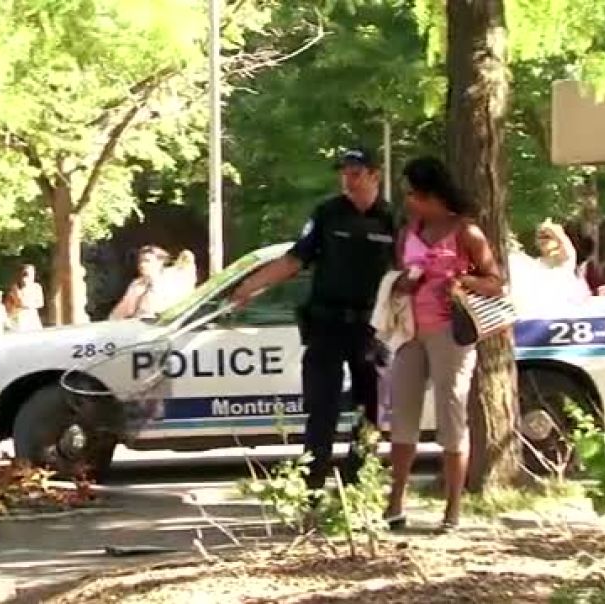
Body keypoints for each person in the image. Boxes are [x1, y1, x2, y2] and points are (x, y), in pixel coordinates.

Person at [230, 146, 395, 490]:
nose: (347, 180)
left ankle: (359, 485)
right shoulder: (327, 214)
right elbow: (294, 260)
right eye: (344, 173)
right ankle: (313, 488)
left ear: (375, 175)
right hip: (327, 324)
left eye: (356, 173)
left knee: (371, 410)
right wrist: (250, 285)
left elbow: (406, 271)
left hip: (371, 326)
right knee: (322, 408)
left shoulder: (392, 220)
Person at [382, 156, 504, 533]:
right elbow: (398, 274)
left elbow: (495, 282)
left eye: (413, 194)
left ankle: (453, 508)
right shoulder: (408, 232)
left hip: (450, 332)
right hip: (409, 331)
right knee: (403, 413)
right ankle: (395, 500)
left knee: (451, 415)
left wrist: (462, 282)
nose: (408, 202)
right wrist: (403, 283)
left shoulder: (467, 232)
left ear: (430, 194)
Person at [110, 246, 196, 320]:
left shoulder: (172, 281)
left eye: (147, 261)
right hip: (137, 325)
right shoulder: (137, 284)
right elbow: (123, 309)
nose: (142, 265)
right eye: (140, 261)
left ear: (160, 262)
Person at [7, 264, 44, 331]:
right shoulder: (16, 287)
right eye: (27, 273)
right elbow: (17, 302)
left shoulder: (37, 287)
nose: (30, 276)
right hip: (21, 315)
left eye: (32, 273)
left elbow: (41, 303)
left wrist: (30, 305)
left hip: (32, 315)